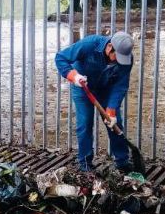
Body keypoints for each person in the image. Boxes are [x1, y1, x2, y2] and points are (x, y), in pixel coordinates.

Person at [55, 31, 134, 172]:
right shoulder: (88, 45)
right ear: (109, 47)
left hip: (107, 89)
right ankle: (85, 163)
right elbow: (60, 58)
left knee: (115, 123)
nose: (118, 61)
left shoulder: (126, 58)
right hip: (83, 87)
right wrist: (73, 76)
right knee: (85, 124)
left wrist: (112, 109)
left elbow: (121, 85)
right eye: (117, 57)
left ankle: (122, 162)